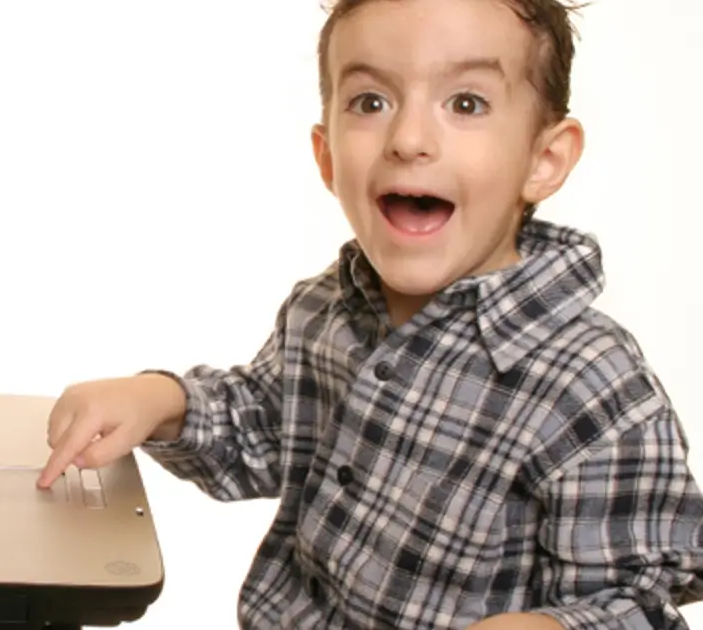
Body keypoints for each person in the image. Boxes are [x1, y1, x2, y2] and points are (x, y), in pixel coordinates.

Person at [37, 0, 703, 628]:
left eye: (465, 103)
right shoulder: (324, 310)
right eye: (371, 101)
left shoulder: (596, 392)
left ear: (543, 159)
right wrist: (161, 400)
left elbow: (642, 599)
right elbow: (263, 425)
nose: (409, 139)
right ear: (327, 158)